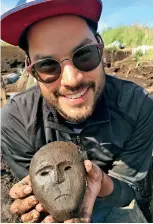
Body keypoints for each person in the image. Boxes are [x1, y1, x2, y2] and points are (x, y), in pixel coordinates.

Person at [1, 0, 153, 223]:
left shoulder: (138, 106)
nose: (72, 80)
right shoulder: (14, 122)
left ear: (101, 49)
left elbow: (130, 189)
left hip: (112, 202)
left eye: (85, 54)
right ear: (31, 71)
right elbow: (37, 190)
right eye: (47, 65)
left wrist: (101, 182)